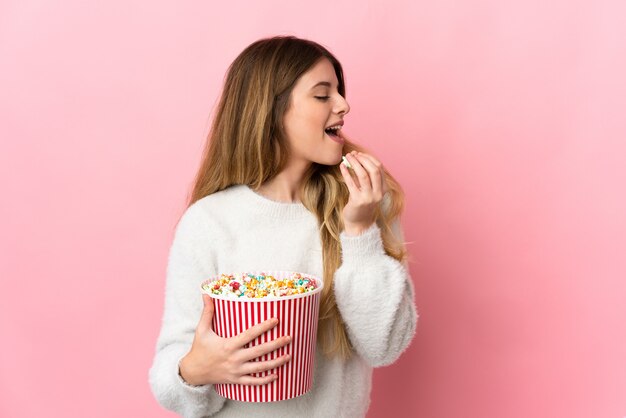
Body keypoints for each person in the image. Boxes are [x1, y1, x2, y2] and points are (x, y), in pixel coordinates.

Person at [148, 35, 418, 418]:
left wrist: (359, 233)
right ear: (271, 110)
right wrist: (195, 370)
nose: (344, 105)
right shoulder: (209, 222)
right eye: (323, 95)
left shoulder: (365, 202)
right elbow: (171, 367)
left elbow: (384, 346)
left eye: (339, 93)